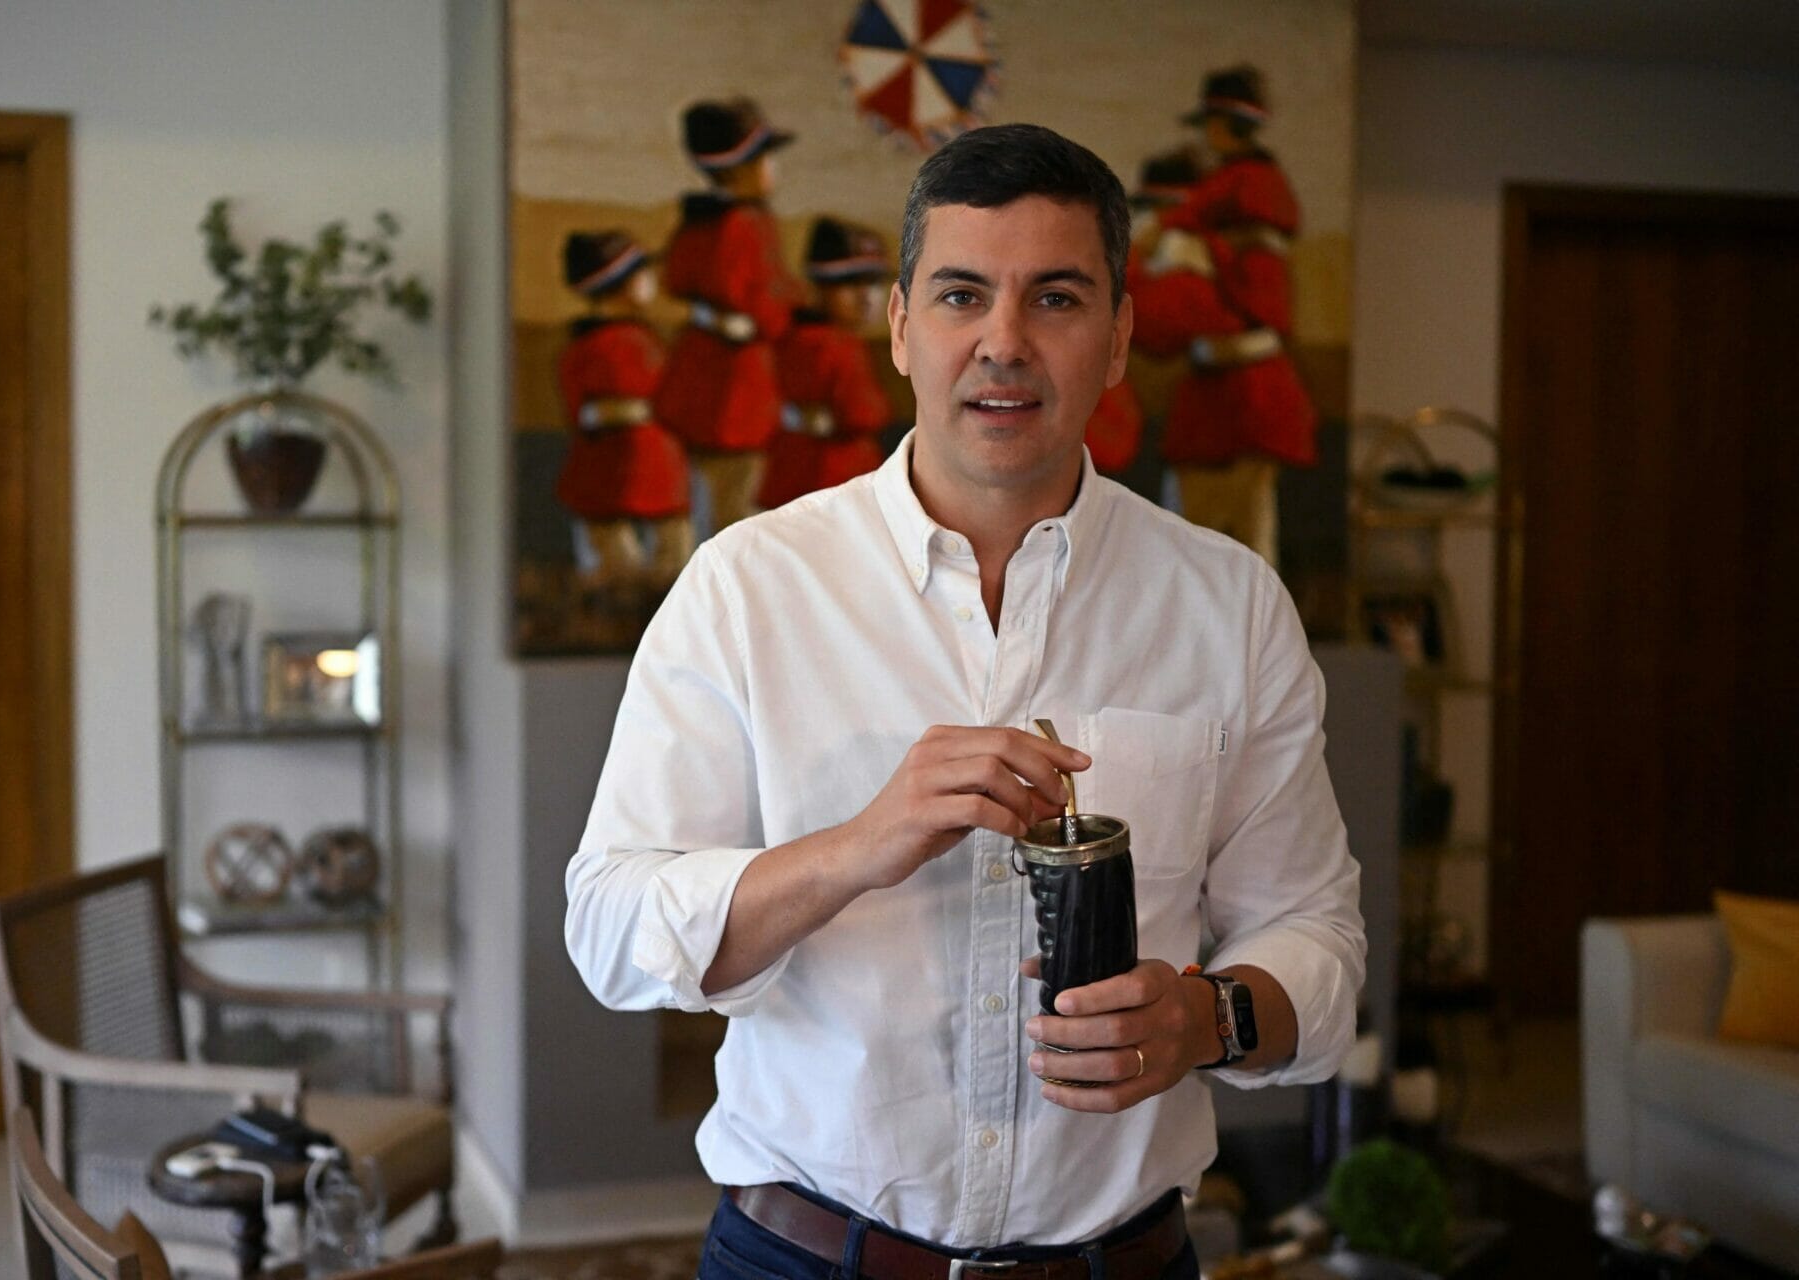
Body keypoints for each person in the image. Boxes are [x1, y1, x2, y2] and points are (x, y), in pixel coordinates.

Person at [567, 123, 1364, 1280]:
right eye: (960, 295)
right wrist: (855, 846)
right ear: (900, 326)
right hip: (799, 1258)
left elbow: (1318, 935)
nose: (1003, 342)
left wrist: (1208, 1018)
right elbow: (609, 928)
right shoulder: (745, 586)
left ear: (1120, 334)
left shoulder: (1230, 605)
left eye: (1056, 298)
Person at [1133, 67, 1317, 566]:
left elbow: (1162, 323)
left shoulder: (1221, 213)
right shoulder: (1242, 198)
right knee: (1233, 538)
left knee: (1225, 545)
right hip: (1230, 389)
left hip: (1239, 394)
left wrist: (1134, 265)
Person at [655, 97, 803, 533]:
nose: (773, 170)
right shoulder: (746, 224)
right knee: (736, 498)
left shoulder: (697, 220)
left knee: (707, 494)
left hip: (697, 368)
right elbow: (766, 305)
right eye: (765, 159)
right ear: (743, 168)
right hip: (737, 381)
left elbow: (674, 279)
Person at [553, 230, 693, 609]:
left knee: (619, 556)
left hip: (602, 459)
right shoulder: (638, 344)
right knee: (665, 556)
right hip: (649, 459)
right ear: (621, 284)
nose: (651, 281)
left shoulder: (578, 348)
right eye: (642, 273)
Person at [757, 216, 894, 510]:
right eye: (848, 284)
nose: (866, 297)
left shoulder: (788, 335)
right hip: (838, 476)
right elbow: (865, 413)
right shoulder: (841, 346)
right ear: (819, 289)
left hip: (788, 472)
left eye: (873, 283)